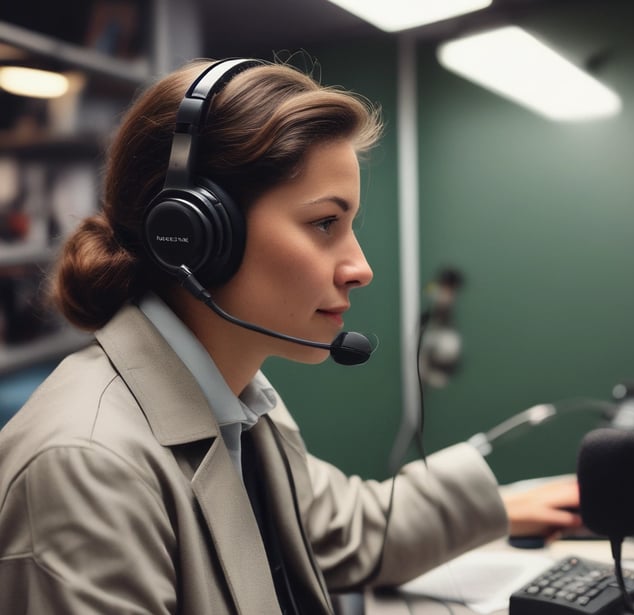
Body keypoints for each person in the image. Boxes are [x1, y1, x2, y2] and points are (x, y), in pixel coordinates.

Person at [0, 57, 580, 614]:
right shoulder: (86, 468)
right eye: (325, 223)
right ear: (195, 233)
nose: (360, 267)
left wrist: (506, 505)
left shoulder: (240, 402)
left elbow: (340, 527)